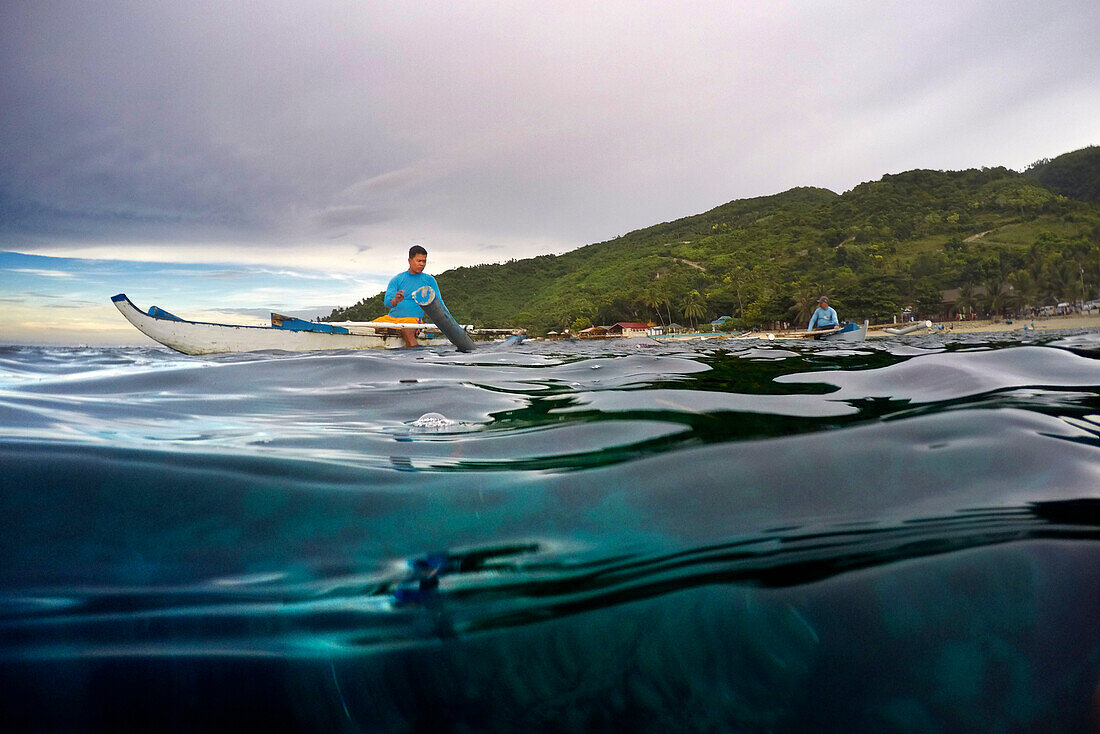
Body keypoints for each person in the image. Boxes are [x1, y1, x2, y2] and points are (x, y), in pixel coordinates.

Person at [381, 245, 449, 347]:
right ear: (409, 260)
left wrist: (448, 320)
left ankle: (416, 356)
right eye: (419, 261)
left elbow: (439, 302)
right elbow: (387, 302)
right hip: (392, 319)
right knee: (369, 327)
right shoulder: (397, 279)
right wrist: (396, 300)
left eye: (424, 261)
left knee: (407, 328)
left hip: (412, 320)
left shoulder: (429, 280)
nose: (422, 264)